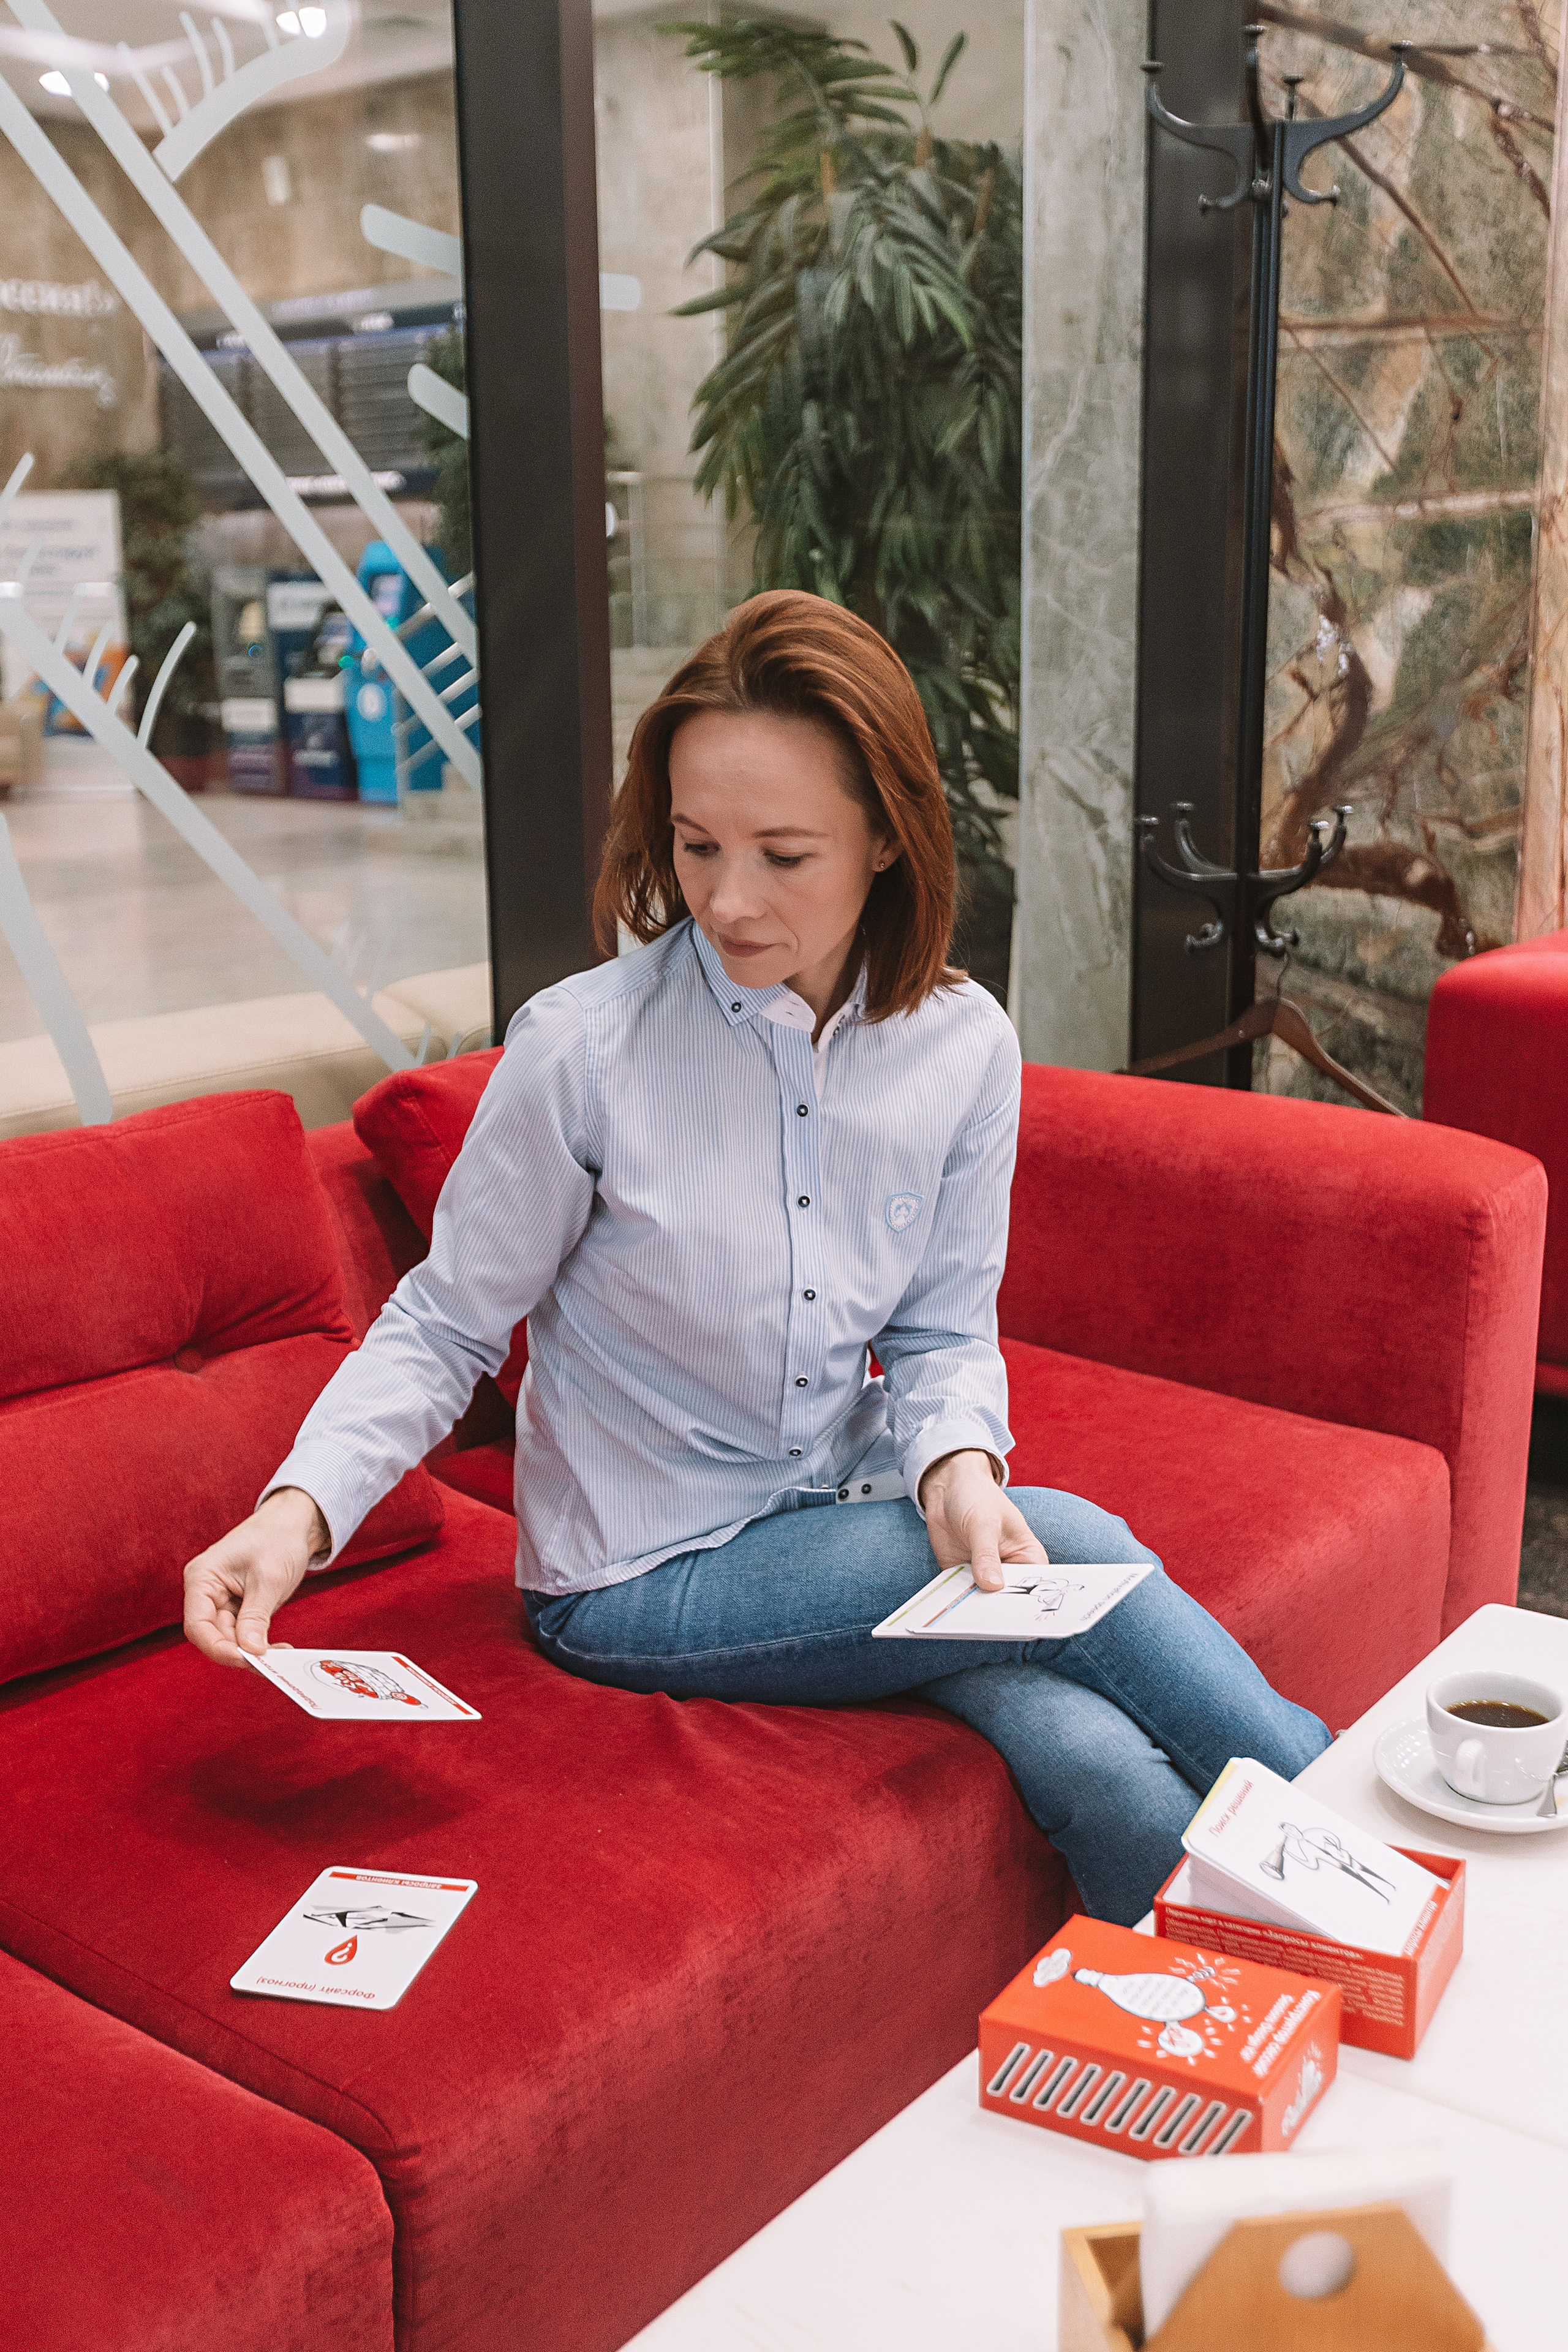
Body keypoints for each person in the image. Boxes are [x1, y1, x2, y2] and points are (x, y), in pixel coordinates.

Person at [184, 590, 1327, 1923]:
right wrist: (294, 1514)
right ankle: (1369, 1852)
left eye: (783, 854)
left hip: (842, 1524)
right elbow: (445, 1323)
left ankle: (1224, 2060)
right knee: (1073, 1546)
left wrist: (954, 1470)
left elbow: (949, 1332)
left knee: (1093, 1761)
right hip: (639, 1577)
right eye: (695, 843)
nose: (723, 900)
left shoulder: (959, 1048)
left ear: (889, 838)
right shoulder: (584, 1051)